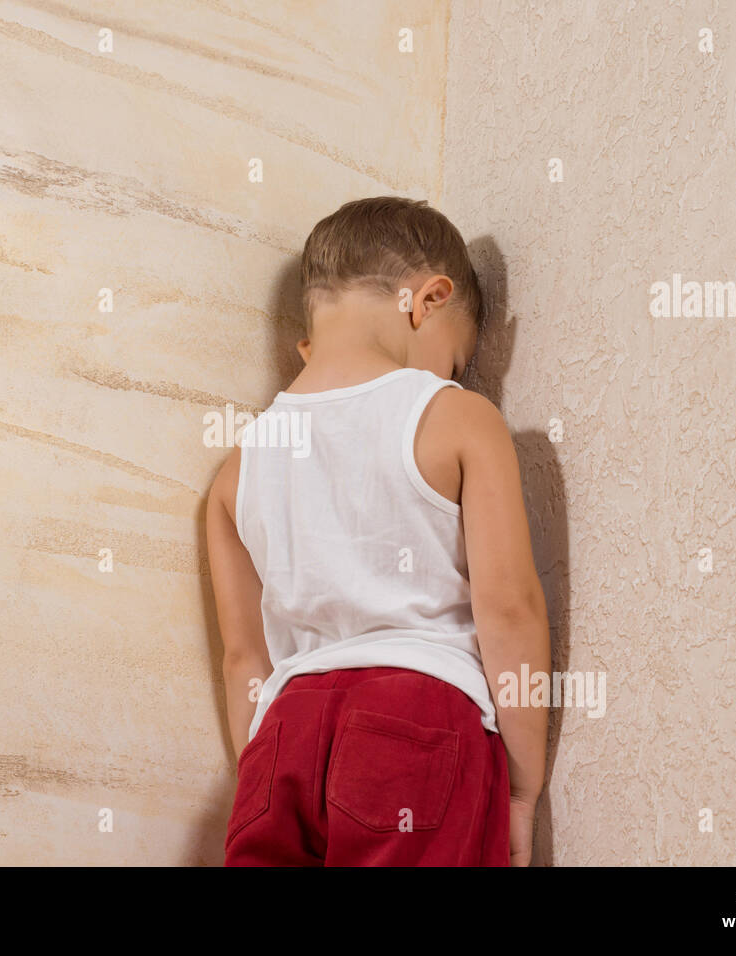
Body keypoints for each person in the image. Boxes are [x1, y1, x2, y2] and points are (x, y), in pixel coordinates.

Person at [205, 196, 550, 866]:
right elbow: (509, 609)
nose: (450, 378)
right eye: (453, 360)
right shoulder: (458, 419)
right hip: (416, 721)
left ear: (310, 343)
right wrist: (523, 791)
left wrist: (263, 778)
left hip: (281, 738)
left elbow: (244, 661)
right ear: (427, 302)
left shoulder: (236, 470)